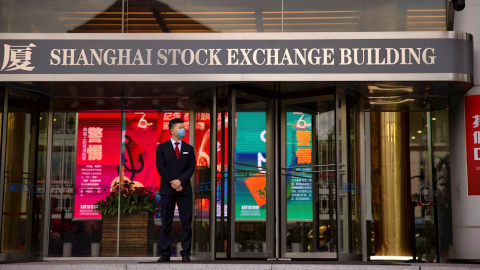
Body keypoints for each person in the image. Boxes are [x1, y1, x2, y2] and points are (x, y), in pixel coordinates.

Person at [156, 118, 195, 262]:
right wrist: (172, 182)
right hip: (167, 190)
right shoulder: (162, 148)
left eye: (183, 127)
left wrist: (180, 181)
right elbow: (161, 167)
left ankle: (185, 253)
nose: (183, 129)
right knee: (166, 222)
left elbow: (191, 168)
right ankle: (165, 253)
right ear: (172, 130)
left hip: (184, 191)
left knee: (186, 222)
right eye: (180, 127)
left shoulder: (189, 149)